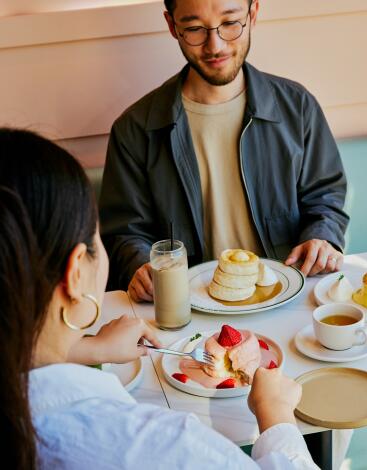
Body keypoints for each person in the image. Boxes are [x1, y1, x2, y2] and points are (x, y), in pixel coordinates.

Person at [0, 128, 319, 469]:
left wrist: (86, 348)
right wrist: (277, 415)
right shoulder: (159, 447)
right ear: (76, 271)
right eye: (97, 237)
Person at [99, 0, 349, 302]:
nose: (215, 46)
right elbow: (125, 232)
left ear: (253, 13)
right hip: (188, 308)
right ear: (171, 25)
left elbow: (325, 198)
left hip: (287, 295)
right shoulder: (135, 129)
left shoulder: (297, 107)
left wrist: (321, 237)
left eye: (230, 23)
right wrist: (139, 264)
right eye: (194, 29)